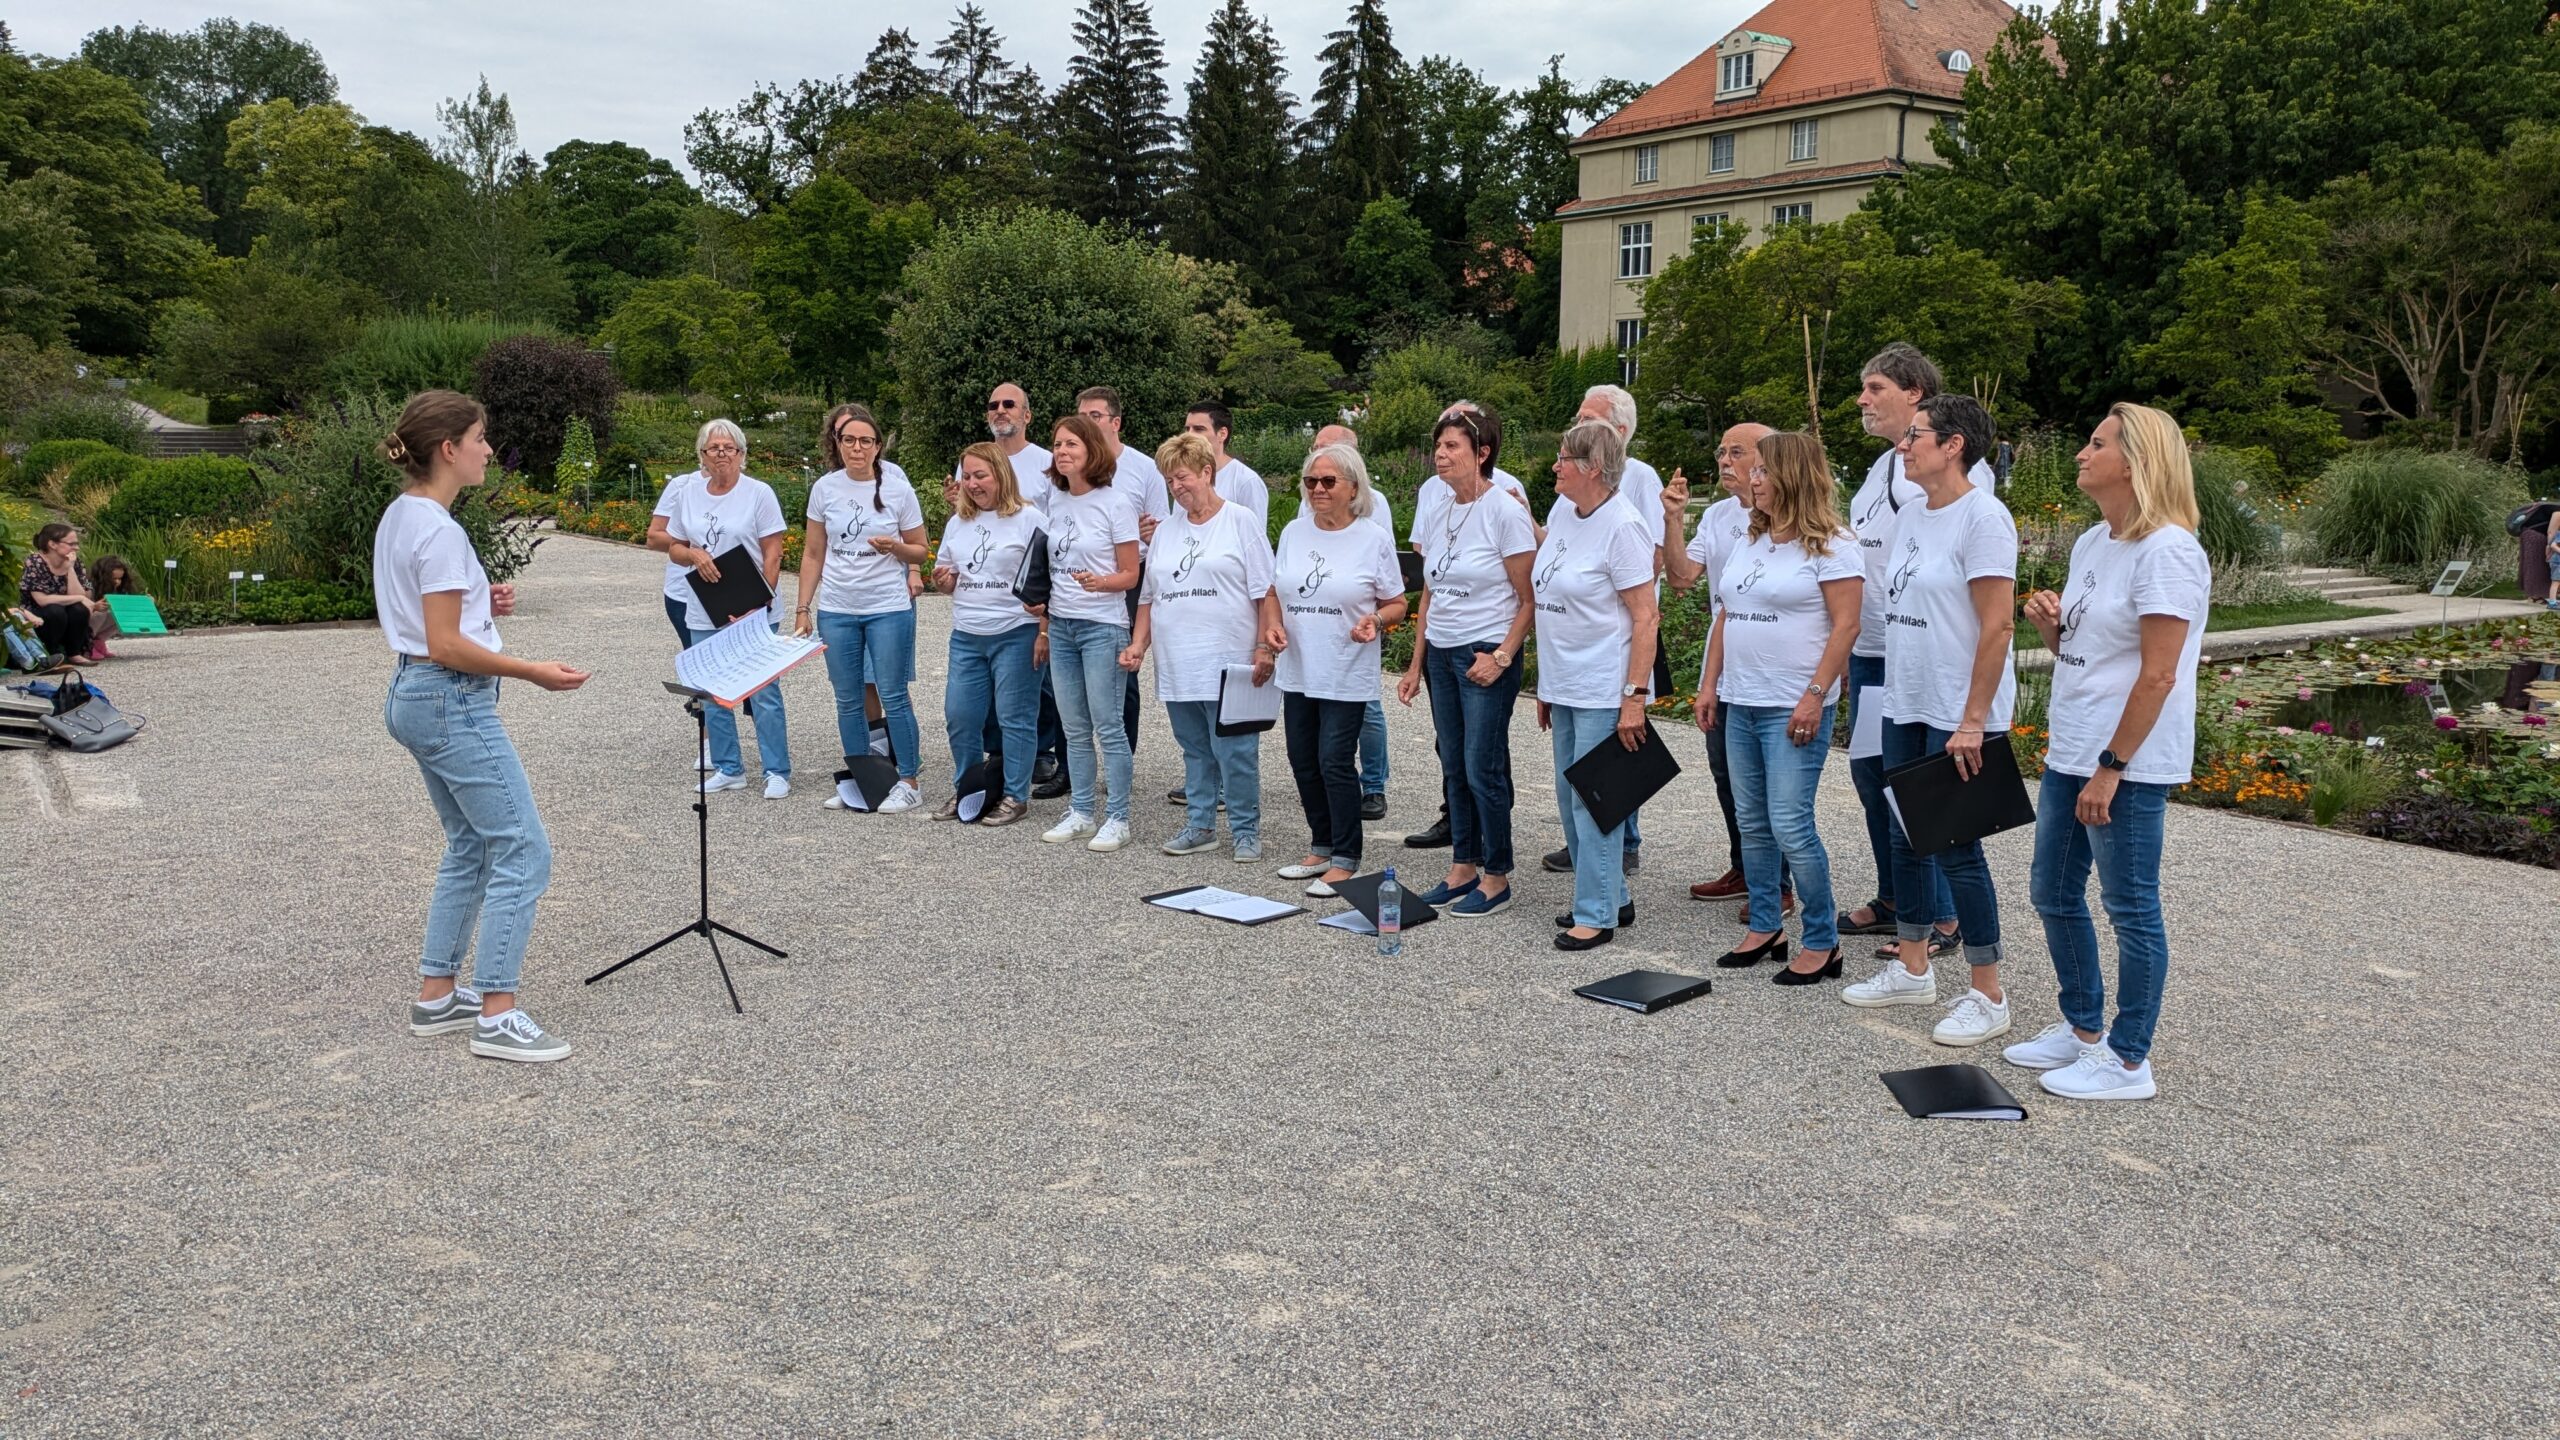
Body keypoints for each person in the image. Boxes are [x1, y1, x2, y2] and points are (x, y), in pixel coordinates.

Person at [373, 390, 588, 1064]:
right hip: (449, 697)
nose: (489, 449)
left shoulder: (404, 515)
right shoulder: (440, 529)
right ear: (449, 449)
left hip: (416, 694)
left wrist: (480, 602)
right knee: (524, 849)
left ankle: (437, 996)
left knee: (471, 844)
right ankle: (498, 1014)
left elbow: (429, 617)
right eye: (480, 438)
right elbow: (445, 644)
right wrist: (531, 669)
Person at [2006, 404, 2211, 1100]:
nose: (2080, 454)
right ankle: (2082, 1027)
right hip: (2075, 749)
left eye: (2095, 444)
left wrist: (2113, 768)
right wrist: (2051, 633)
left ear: (2136, 461)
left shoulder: (2169, 551)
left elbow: (2159, 673)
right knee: (2053, 892)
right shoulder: (2096, 542)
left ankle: (2128, 1060)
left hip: (2125, 763)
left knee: (2130, 905)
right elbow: (2092, 656)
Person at [1843, 394, 2020, 1046]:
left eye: (1915, 435)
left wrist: (1973, 720)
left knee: (1957, 850)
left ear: (1953, 445)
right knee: (1903, 836)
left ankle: (1987, 992)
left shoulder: (1985, 518)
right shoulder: (1915, 514)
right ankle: (1912, 966)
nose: (1902, 444)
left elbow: (1998, 625)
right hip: (1904, 698)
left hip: (1955, 712)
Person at [1838, 343, 1995, 953]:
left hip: (1919, 653)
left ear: (1915, 395)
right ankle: (1899, 897)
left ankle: (1944, 916)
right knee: (1873, 777)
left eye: (1875, 387)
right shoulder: (1887, 466)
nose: (1863, 400)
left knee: (1917, 788)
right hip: (1877, 647)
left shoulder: (1959, 471)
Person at [1698, 431, 1862, 984]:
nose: (1754, 478)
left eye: (1765, 470)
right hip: (1740, 699)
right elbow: (1726, 614)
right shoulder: (1753, 538)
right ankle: (1766, 924)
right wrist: (1709, 685)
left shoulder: (1834, 543)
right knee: (1753, 823)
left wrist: (1815, 695)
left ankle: (1822, 938)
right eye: (1755, 469)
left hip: (1792, 704)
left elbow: (1847, 626)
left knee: (1791, 823)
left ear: (1793, 475)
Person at [1395, 409, 1536, 917]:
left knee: (1484, 766)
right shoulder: (1439, 508)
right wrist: (1416, 664)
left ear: (1482, 454)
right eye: (1438, 446)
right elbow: (1429, 593)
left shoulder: (1505, 510)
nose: (1440, 454)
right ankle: (1463, 866)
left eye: (1453, 446)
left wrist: (1501, 657)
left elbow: (1528, 598)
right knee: (1453, 764)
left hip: (1483, 653)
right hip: (1442, 652)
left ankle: (1496, 876)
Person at [1120, 432, 1278, 861]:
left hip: (1229, 660)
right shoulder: (1165, 533)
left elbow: (1265, 589)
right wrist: (1138, 645)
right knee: (1194, 749)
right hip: (1178, 662)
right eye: (1170, 481)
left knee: (1236, 749)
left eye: (1183, 477)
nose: (1177, 487)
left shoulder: (1240, 520)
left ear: (1207, 472)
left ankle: (1245, 829)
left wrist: (1265, 646)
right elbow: (1150, 598)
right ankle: (1201, 824)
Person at [1535, 420, 1659, 952]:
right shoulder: (1566, 511)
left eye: (1564, 458)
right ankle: (1613, 893)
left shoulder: (1623, 525)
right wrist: (1545, 683)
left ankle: (1597, 913)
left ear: (1591, 468)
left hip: (1604, 686)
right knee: (1569, 799)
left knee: (1595, 801)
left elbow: (1646, 616)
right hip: (1565, 682)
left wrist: (1634, 698)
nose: (1555, 466)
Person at [1269, 443, 1407, 897]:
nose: (1318, 490)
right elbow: (1274, 588)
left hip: (1345, 667)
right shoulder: (1293, 532)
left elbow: (1397, 603)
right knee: (1302, 759)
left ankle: (1347, 856)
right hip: (1300, 664)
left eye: (1328, 481)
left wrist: (1376, 621)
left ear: (1353, 487)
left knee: (1334, 760)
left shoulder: (1372, 537)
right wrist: (1270, 628)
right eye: (1311, 482)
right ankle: (1321, 845)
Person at [794, 404, 932, 813]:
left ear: (877, 446)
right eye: (849, 440)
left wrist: (897, 549)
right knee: (848, 697)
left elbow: (921, 549)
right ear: (838, 444)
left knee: (892, 693)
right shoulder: (824, 488)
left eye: (865, 441)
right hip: (837, 608)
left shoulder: (897, 488)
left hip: (887, 607)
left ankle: (908, 779)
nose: (857, 448)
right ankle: (863, 778)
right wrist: (803, 607)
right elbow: (814, 552)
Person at [1662, 423, 1775, 909]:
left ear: (1766, 460)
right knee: (1727, 775)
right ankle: (1745, 867)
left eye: (1736, 452)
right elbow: (1683, 578)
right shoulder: (1717, 515)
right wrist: (1673, 519)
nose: (1725, 461)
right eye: (1721, 452)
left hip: (1771, 669)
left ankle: (1778, 884)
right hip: (1722, 668)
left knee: (1770, 784)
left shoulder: (1793, 516)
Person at [649, 419, 793, 799]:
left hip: (753, 604)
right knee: (711, 687)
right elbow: (674, 546)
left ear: (743, 454)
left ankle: (776, 770)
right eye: (714, 449)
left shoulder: (759, 493)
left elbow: (773, 553)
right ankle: (729, 767)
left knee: (762, 689)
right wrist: (693, 554)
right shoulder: (689, 495)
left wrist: (758, 603)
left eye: (730, 448)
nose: (722, 455)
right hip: (705, 606)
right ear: (702, 456)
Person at [1039, 413, 1145, 851]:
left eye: (1072, 446)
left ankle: (1117, 817)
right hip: (1062, 624)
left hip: (1103, 625)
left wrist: (1102, 583)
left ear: (1091, 452)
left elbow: (1130, 573)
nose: (1062, 452)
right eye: (1058, 445)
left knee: (1109, 724)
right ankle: (1082, 811)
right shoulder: (1056, 500)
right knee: (1074, 725)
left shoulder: (1115, 503)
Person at [930, 442, 1046, 827]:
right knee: (960, 715)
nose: (973, 483)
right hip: (967, 632)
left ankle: (1015, 795)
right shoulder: (958, 522)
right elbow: (946, 574)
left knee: (1016, 717)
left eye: (981, 475)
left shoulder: (1029, 518)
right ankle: (968, 788)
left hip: (1015, 631)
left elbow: (1047, 578)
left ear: (1001, 475)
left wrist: (1043, 629)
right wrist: (943, 581)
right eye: (967, 475)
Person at [962, 382, 1067, 795]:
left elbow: (1056, 520)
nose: (1000, 410)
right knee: (988, 684)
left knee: (1035, 682)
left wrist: (1043, 615)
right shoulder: (973, 459)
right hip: (983, 592)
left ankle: (1041, 752)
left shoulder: (1045, 462)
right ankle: (998, 753)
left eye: (1010, 404)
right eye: (993, 405)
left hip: (1030, 589)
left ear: (1027, 414)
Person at [1077, 386, 1168, 760]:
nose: (1086, 423)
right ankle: (1070, 764)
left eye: (1094, 416)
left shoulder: (1144, 469)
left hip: (1129, 577)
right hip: (1078, 577)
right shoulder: (1071, 468)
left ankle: (1121, 757)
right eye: (1081, 416)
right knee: (1071, 671)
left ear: (1116, 422)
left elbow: (1163, 526)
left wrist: (1153, 532)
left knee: (1123, 668)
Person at [17, 525, 103, 665]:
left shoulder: (74, 562)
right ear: (52, 544)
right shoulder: (35, 561)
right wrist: (80, 598)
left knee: (78, 609)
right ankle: (52, 654)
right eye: (71, 544)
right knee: (55, 610)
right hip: (37, 613)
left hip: (64, 612)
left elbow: (81, 596)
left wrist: (70, 568)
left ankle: (74, 653)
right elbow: (42, 600)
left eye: (77, 544)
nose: (76, 548)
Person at [1185, 401, 1270, 531]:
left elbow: (1254, 540)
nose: (1189, 435)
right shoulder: (1182, 480)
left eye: (1199, 429)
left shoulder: (1246, 481)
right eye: (1187, 429)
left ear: (1222, 434)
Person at [82, 552, 138, 660]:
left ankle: (98, 642)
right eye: (114, 578)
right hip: (86, 622)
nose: (117, 582)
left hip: (98, 624)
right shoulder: (89, 585)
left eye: (120, 579)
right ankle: (86, 645)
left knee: (120, 615)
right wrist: (94, 606)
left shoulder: (118, 589)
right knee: (100, 613)